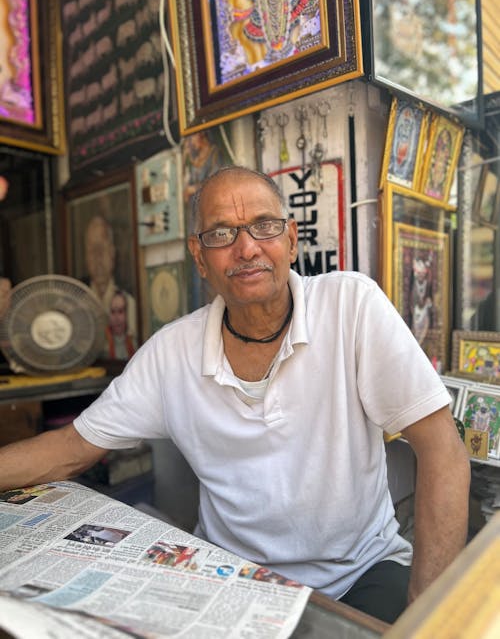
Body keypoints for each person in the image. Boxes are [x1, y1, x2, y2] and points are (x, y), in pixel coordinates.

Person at [0, 166, 470, 623]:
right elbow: (71, 448)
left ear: (290, 239)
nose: (246, 248)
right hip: (235, 581)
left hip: (361, 572)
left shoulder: (352, 307)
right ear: (199, 256)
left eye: (263, 226)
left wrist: (430, 613)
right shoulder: (172, 352)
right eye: (221, 233)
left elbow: (443, 453)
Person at [84, 215, 137, 356]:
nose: (98, 258)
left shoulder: (130, 303)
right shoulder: (78, 307)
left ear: (112, 253)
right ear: (85, 257)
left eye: (102, 249)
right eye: (92, 251)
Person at [105, 290, 136, 360]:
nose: (116, 318)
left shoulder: (135, 343)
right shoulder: (102, 346)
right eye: (113, 312)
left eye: (120, 311)